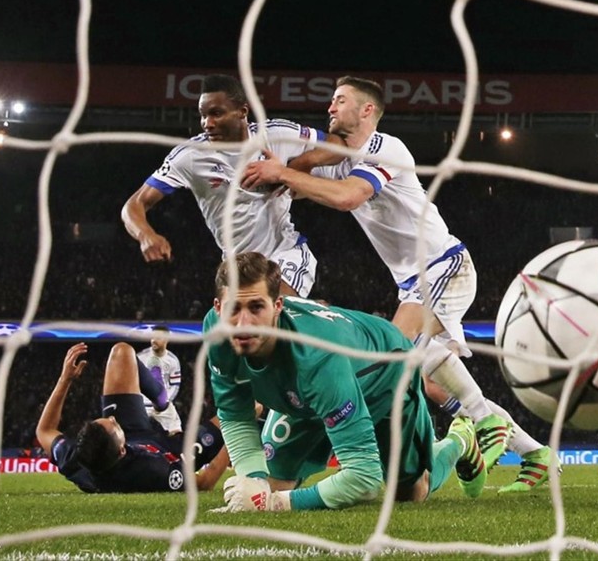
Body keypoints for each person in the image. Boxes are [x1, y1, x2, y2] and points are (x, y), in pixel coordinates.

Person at [241, 76, 549, 493]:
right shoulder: (337, 159)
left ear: (367, 110)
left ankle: (478, 424)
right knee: (423, 371)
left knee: (391, 355)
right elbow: (299, 181)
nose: (330, 107)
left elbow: (348, 197)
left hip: (443, 266)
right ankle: (530, 450)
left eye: (340, 100)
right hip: (412, 283)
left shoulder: (387, 148)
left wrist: (287, 172)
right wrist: (279, 169)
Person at [205, 252, 485, 511]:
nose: (243, 324)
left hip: (386, 374)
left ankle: (460, 439)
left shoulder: (318, 358)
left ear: (278, 305)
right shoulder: (217, 333)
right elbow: (235, 414)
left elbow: (365, 479)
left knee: (410, 493)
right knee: (269, 484)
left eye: (256, 308)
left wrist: (277, 503)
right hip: (309, 391)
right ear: (218, 308)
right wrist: (254, 483)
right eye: (233, 309)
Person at [121, 74, 329, 297]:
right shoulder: (190, 156)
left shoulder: (276, 135)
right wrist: (146, 235)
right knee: (247, 326)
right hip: (238, 267)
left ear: (243, 111)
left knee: (272, 309)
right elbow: (135, 204)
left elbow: (335, 145)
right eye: (203, 116)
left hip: (285, 252)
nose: (207, 124)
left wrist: (294, 168)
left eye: (216, 114)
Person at [35, 342, 230, 493]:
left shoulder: (77, 458)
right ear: (122, 450)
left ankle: (162, 401)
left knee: (121, 352)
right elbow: (204, 483)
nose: (112, 418)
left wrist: (65, 379)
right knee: (233, 414)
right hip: (167, 452)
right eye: (113, 425)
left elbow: (44, 431)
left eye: (105, 419)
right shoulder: (150, 471)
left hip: (133, 431)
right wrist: (239, 428)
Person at [137, 334, 183, 435]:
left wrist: (165, 401)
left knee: (177, 433)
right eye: (152, 337)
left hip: (163, 405)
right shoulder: (140, 357)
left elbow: (175, 385)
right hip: (143, 406)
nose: (154, 340)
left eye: (158, 338)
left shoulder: (172, 360)